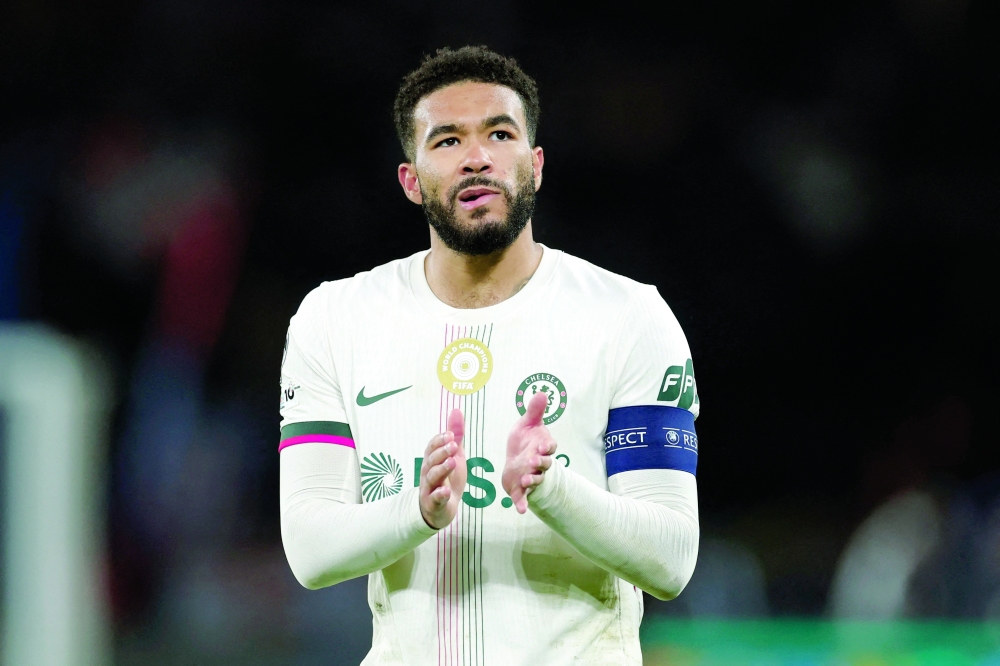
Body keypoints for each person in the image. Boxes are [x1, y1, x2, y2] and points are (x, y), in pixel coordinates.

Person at [279, 45, 700, 666]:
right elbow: (311, 552)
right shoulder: (335, 319)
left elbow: (671, 559)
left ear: (534, 164)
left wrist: (552, 489)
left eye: (498, 134)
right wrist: (416, 511)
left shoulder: (628, 317)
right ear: (411, 181)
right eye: (446, 141)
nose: (477, 157)